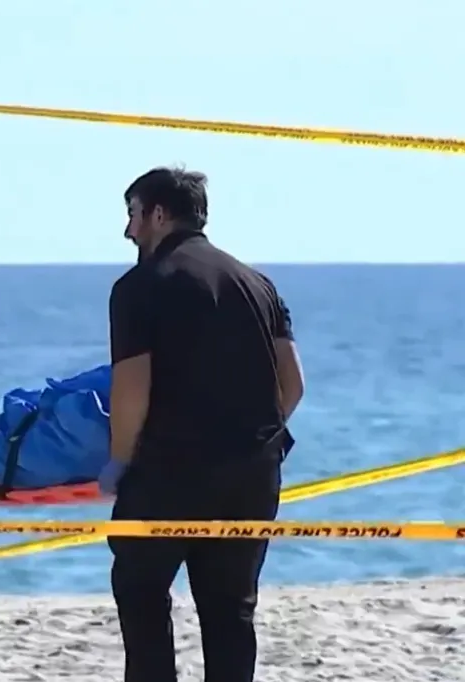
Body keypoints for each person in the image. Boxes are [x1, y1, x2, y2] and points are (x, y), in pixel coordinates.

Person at [99, 166, 305, 682]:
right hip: (253, 474)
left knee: (141, 595)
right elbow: (293, 385)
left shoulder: (139, 285)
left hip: (170, 473)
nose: (129, 231)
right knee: (231, 610)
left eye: (133, 216)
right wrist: (247, 438)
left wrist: (119, 460)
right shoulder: (257, 282)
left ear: (159, 215)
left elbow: (132, 389)